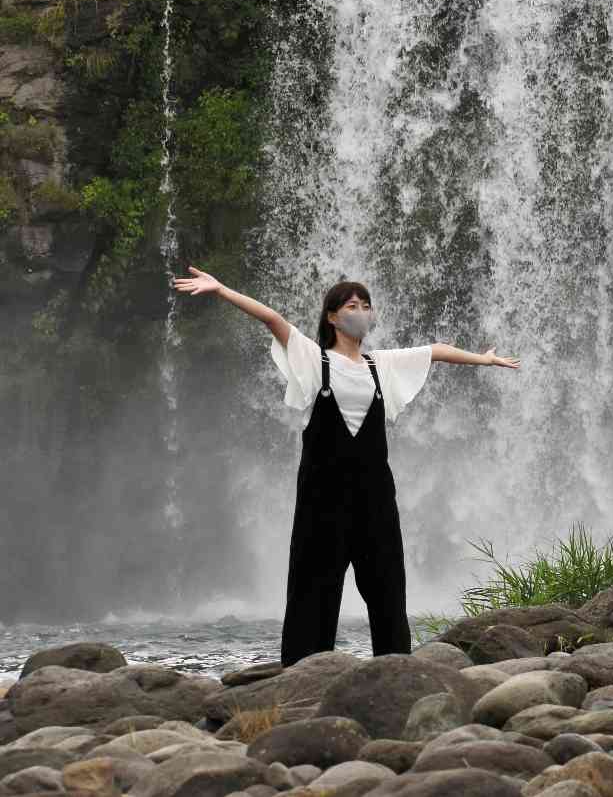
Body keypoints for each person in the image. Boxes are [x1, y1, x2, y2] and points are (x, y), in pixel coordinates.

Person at [171, 267, 521, 665]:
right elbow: (271, 318)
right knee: (313, 581)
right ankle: (306, 668)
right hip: (322, 496)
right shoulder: (312, 358)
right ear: (332, 317)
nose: (362, 311)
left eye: (366, 306)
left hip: (374, 496)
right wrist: (220, 289)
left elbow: (436, 350)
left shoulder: (380, 365)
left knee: (387, 582)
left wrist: (484, 359)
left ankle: (395, 667)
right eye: (352, 305)